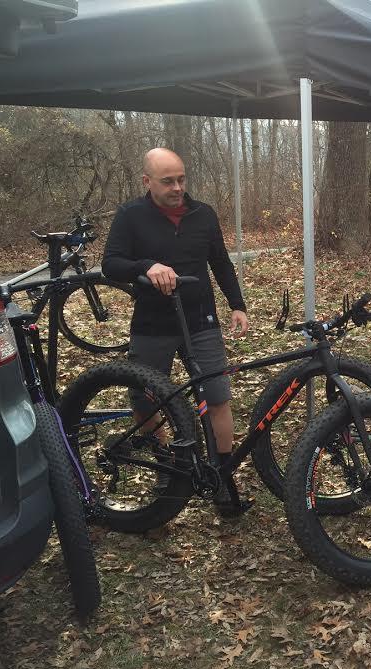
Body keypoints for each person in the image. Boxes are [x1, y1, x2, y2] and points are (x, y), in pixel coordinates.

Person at [102, 147, 251, 516]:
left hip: (201, 319)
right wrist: (147, 265)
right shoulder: (131, 215)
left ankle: (222, 473)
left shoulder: (203, 214)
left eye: (181, 179)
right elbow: (110, 264)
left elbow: (219, 261)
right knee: (144, 398)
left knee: (216, 396)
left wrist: (238, 304)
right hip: (153, 323)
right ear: (147, 181)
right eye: (168, 181)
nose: (177, 187)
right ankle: (165, 464)